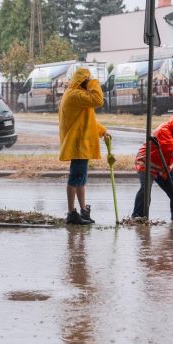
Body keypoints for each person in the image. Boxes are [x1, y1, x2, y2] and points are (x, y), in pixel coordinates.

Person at [58, 66, 109, 225]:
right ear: (83, 81)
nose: (91, 83)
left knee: (80, 179)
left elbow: (87, 120)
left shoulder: (75, 94)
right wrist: (93, 81)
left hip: (81, 142)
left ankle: (83, 211)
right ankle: (72, 213)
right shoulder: (75, 94)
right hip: (78, 143)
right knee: (75, 178)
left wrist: (102, 131)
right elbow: (98, 100)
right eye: (88, 80)